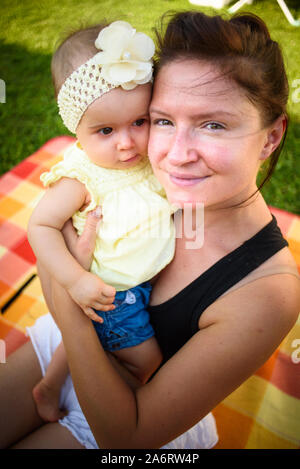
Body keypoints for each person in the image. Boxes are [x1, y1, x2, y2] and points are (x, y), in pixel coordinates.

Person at [0, 10, 299, 449]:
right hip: (64, 349)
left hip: (124, 416)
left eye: (213, 124)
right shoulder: (145, 176)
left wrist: (68, 305)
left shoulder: (266, 292)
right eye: (161, 120)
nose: (175, 155)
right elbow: (55, 219)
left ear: (271, 137)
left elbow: (127, 437)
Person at [27, 21, 175, 423]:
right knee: (146, 361)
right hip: (110, 293)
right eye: (105, 130)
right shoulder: (83, 176)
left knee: (87, 342)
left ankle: (49, 386)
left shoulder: (148, 158)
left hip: (142, 283)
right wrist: (76, 282)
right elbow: (40, 226)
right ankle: (97, 405)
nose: (126, 143)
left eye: (139, 122)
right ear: (77, 129)